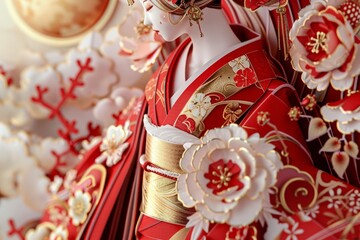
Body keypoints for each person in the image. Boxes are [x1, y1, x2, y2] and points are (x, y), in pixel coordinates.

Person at [29, 0, 360, 239]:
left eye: (147, 4)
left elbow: (274, 188)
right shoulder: (174, 60)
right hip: (141, 218)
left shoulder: (262, 87)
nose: (143, 18)